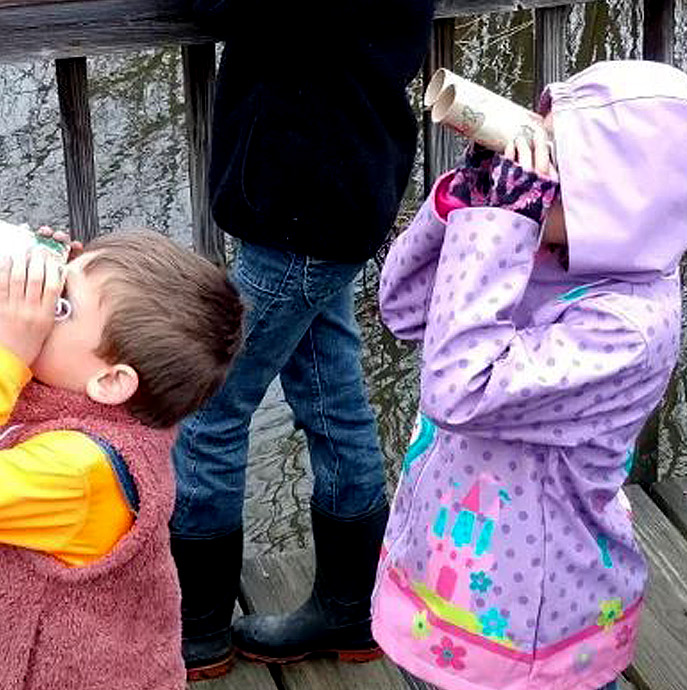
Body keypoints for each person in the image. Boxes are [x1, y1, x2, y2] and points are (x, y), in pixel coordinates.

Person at [373, 60, 687, 690]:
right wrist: (461, 202)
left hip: (527, 631)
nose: (531, 177)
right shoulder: (537, 247)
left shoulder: (628, 328)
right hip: (445, 583)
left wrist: (499, 227)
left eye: (555, 167)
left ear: (620, 207)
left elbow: (460, 388)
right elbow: (402, 311)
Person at [174, 0, 437, 679]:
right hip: (335, 193)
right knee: (333, 400)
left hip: (303, 204)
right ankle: (351, 607)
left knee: (209, 404)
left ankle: (194, 630)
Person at [0, 230, 243, 690]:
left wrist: (6, 350)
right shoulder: (84, 394)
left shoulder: (79, 471)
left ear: (111, 381)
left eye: (62, 306)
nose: (42, 306)